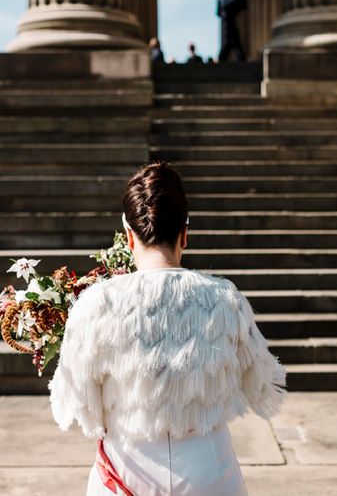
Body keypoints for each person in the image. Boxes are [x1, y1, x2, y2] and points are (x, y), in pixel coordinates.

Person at [49, 161, 286, 495]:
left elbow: (75, 402)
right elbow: (262, 387)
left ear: (129, 237)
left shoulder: (97, 302)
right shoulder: (225, 299)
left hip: (125, 470)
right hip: (209, 471)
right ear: (184, 234)